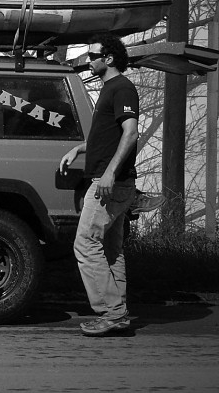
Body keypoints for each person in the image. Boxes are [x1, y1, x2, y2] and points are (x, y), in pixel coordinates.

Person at [59, 33, 140, 337]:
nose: (88, 60)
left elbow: (130, 134)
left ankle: (112, 313)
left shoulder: (122, 88)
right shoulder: (110, 89)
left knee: (85, 244)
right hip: (113, 181)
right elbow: (108, 135)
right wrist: (79, 148)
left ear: (109, 58)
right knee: (110, 249)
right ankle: (119, 313)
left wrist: (108, 174)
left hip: (109, 184)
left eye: (93, 55)